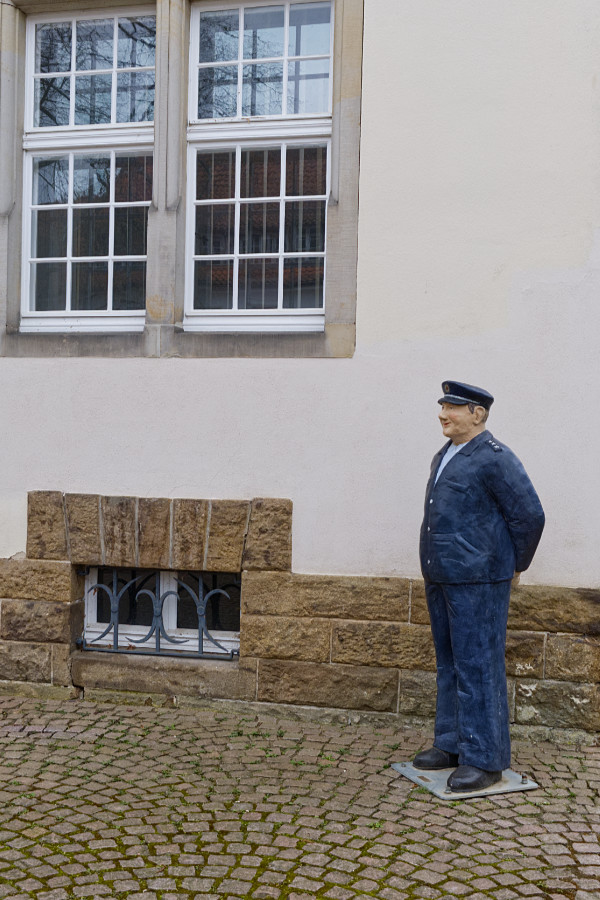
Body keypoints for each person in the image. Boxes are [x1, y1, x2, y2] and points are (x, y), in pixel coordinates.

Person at [414, 381, 545, 792]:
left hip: (478, 579)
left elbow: (530, 516)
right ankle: (452, 743)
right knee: (450, 663)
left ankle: (485, 758)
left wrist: (514, 565)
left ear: (477, 413)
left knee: (479, 666)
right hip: (442, 574)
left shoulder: (494, 458)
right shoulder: (445, 454)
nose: (443, 413)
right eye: (442, 405)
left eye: (452, 407)